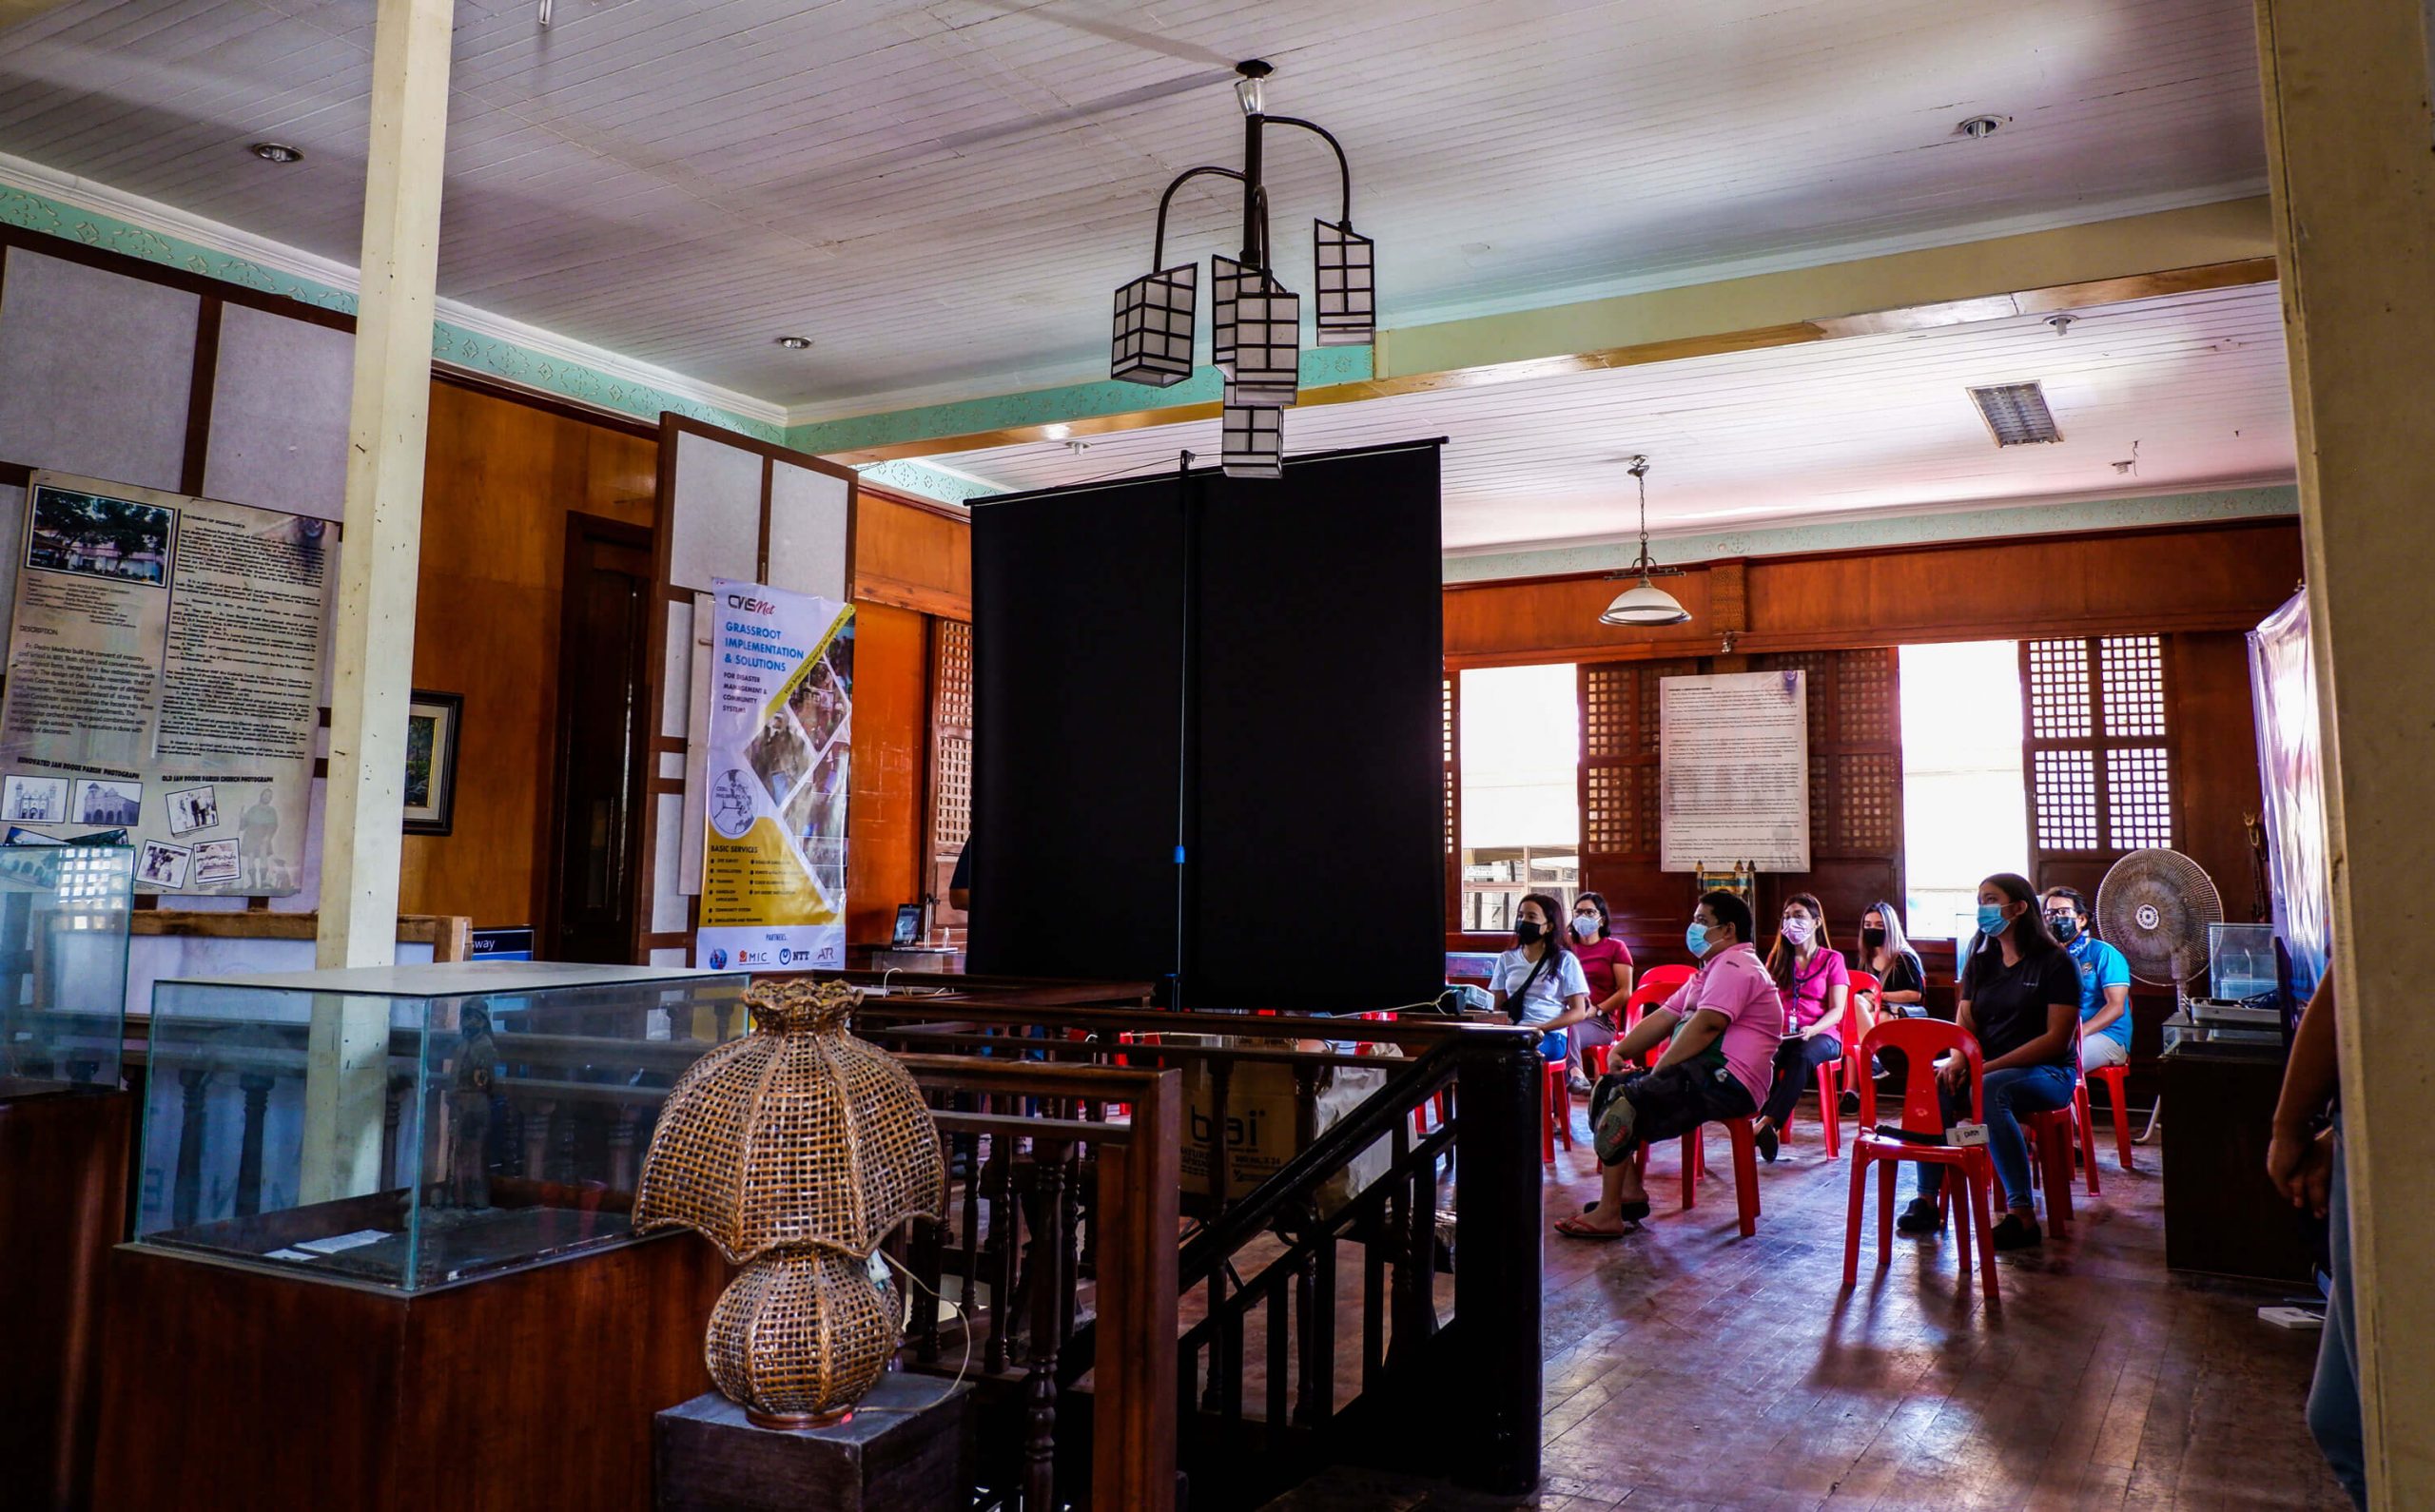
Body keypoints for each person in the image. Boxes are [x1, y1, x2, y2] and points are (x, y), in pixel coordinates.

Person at [1555, 890, 1783, 1239]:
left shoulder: (1738, 966)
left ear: (1728, 930)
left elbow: (1708, 1025)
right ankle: (1626, 1196)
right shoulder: (1709, 971)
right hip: (1701, 1073)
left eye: (1701, 921)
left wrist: (1658, 1071)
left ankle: (1608, 1215)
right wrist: (1619, 1053)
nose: (1693, 928)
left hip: (1729, 1081)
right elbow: (1665, 1015)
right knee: (1609, 1087)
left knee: (1625, 1104)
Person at [1893, 873, 2081, 1250]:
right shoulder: (1981, 960)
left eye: (1991, 899)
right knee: (1934, 1084)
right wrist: (1958, 1059)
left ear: (2019, 907)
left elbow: (2055, 1040)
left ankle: (2021, 1216)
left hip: (2047, 1073)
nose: (1983, 908)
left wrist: (1985, 1069)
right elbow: (1965, 1024)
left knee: (1993, 1090)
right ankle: (1927, 1199)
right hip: (1988, 1069)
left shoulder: (2055, 963)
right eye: (1980, 900)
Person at [2269, 972, 2364, 1508]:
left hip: (2388, 1136)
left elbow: (2343, 987)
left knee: (2351, 1422)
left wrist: (2290, 1128)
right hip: (2361, 1126)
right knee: (2341, 1421)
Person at [1750, 893, 1847, 1162]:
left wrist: (1813, 1029)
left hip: (1823, 1035)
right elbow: (1764, 1001)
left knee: (1802, 1056)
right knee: (1769, 1057)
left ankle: (1766, 1122)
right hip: (1784, 1035)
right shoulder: (1778, 959)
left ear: (1816, 922)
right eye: (1787, 916)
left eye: (1799, 916)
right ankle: (1763, 1125)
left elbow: (1837, 1009)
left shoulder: (1832, 959)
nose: (1792, 922)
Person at [1490, 893, 1595, 1066]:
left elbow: (1578, 1011)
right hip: (1513, 1033)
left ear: (1549, 926)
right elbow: (1497, 1006)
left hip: (1551, 1035)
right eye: (1520, 916)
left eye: (1531, 916)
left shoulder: (1565, 960)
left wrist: (1541, 1027)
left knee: (1517, 1054)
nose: (1523, 921)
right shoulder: (1506, 958)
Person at [2042, 886, 2132, 1071]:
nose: (2056, 918)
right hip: (2056, 1034)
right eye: (2050, 914)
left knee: (2053, 1064)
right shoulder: (2047, 958)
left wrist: (2078, 1033)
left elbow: (2115, 1007)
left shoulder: (2104, 953)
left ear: (2081, 919)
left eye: (2063, 912)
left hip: (2105, 1036)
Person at [1564, 891, 1634, 1093]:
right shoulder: (1565, 948)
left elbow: (1625, 991)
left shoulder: (1615, 948)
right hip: (1565, 1013)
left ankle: (1575, 1073)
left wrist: (1598, 1010)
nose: (1583, 917)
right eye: (1578, 912)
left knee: (1570, 1029)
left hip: (1599, 1020)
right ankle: (1554, 1107)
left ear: (1601, 920)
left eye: (1589, 912)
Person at [1859, 901, 1926, 1015]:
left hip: (1900, 1010)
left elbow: (1915, 995)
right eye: (1868, 925)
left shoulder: (1905, 958)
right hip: (1871, 1007)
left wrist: (1880, 995)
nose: (1872, 929)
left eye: (1880, 925)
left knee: (1879, 1017)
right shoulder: (1864, 959)